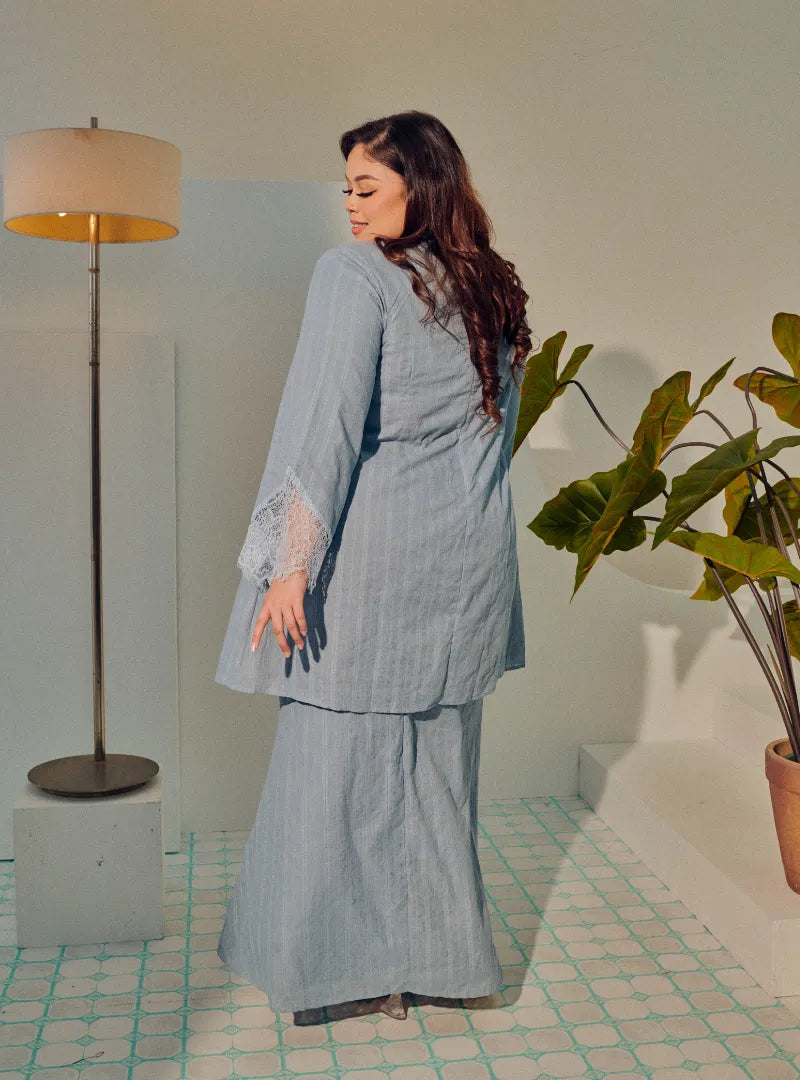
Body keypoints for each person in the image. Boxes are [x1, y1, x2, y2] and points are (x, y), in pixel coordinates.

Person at [215, 110, 532, 1025]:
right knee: (435, 778)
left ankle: (329, 976)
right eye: (346, 189)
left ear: (419, 187)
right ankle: (439, 966)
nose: (349, 207)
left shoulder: (355, 276)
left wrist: (288, 568)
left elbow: (323, 429)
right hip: (467, 569)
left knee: (331, 777)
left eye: (366, 187)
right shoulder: (492, 287)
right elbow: (496, 440)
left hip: (370, 577)